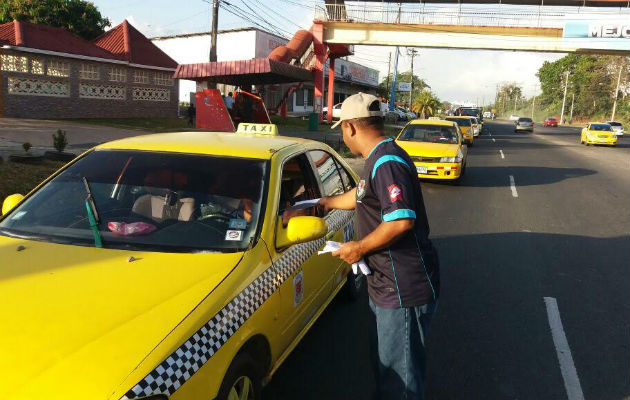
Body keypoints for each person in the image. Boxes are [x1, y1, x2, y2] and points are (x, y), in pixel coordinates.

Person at [319, 93, 440, 400]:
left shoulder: (386, 162)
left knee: (400, 379)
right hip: (385, 283)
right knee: (387, 367)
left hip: (402, 288)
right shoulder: (378, 157)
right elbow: (360, 196)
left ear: (350, 128)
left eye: (343, 131)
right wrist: (323, 203)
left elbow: (401, 221)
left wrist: (357, 248)